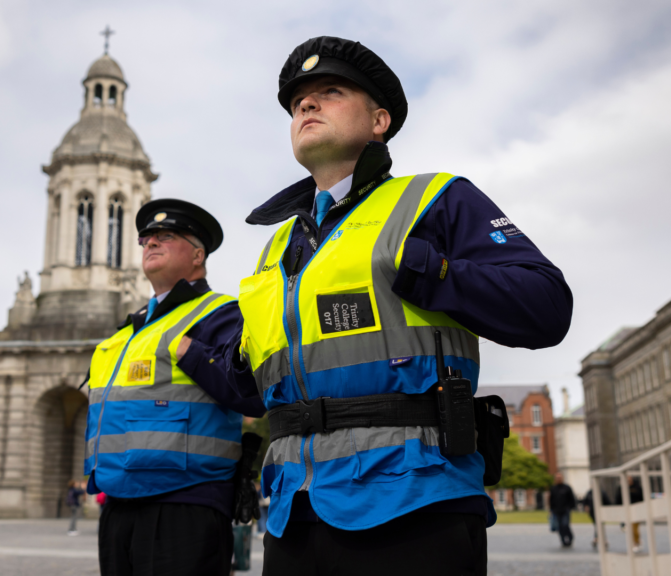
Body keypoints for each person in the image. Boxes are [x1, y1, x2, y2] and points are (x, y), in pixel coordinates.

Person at [231, 36, 573, 575]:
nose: (307, 105)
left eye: (330, 90)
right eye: (299, 101)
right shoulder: (277, 250)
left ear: (379, 121)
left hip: (414, 503)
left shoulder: (434, 199)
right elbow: (252, 389)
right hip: (295, 514)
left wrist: (431, 270)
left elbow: (547, 306)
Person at [86, 199, 267, 576]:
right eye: (146, 239)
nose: (151, 243)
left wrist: (190, 351)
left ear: (198, 255)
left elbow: (251, 392)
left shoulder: (222, 313)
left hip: (187, 503)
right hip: (118, 504)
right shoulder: (126, 334)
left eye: (166, 236)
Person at [549, 474, 576, 547]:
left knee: (565, 524)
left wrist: (570, 507)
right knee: (559, 527)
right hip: (556, 511)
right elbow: (551, 500)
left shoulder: (567, 488)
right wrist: (551, 510)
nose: (558, 479)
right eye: (557, 478)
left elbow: (572, 499)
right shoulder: (553, 488)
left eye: (559, 478)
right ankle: (563, 540)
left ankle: (570, 538)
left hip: (565, 510)